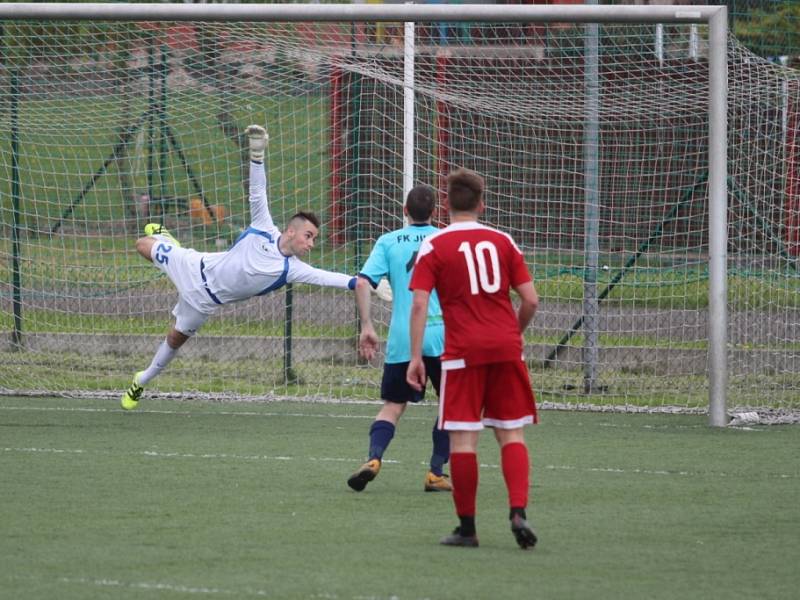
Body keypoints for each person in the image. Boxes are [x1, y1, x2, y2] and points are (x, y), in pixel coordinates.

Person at [121, 124, 356, 410]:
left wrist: (358, 282)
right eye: (309, 236)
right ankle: (170, 244)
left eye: (314, 240)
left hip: (203, 302)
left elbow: (325, 277)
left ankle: (141, 380)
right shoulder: (263, 226)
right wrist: (257, 154)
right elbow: (258, 192)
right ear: (291, 232)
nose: (311, 244)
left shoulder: (291, 269)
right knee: (142, 244)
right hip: (195, 266)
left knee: (175, 339)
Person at [406, 167, 540, 550]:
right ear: (482, 203)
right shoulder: (503, 241)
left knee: (463, 441)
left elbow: (419, 303)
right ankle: (518, 512)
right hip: (505, 348)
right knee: (511, 433)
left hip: (462, 353)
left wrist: (416, 357)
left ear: (446, 204)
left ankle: (467, 529)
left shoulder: (435, 245)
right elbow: (531, 300)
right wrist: (513, 335)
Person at [346, 184, 451, 493]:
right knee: (451, 406)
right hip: (445, 335)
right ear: (435, 212)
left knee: (393, 405)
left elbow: (363, 283)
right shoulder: (446, 240)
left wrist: (367, 325)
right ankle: (435, 472)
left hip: (405, 336)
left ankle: (374, 458)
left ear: (405, 211)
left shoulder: (388, 241)